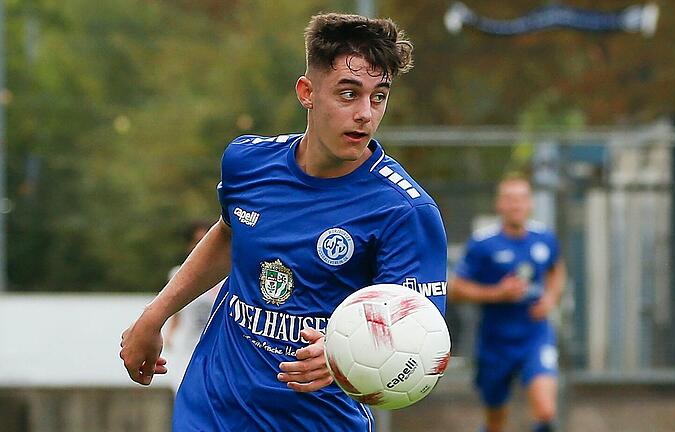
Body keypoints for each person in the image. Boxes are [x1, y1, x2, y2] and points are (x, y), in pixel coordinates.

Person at [119, 12, 448, 432]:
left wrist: (337, 354)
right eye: (348, 94)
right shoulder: (248, 162)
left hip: (317, 421)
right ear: (307, 92)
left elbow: (417, 339)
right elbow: (229, 233)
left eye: (378, 96)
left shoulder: (406, 211)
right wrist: (155, 315)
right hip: (213, 407)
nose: (365, 113)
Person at [450, 174, 566, 432]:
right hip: (495, 341)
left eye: (522, 199)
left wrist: (549, 299)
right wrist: (498, 294)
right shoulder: (483, 244)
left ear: (530, 204)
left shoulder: (543, 238)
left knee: (546, 411)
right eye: (510, 199)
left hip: (534, 335)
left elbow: (557, 271)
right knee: (495, 422)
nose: (516, 205)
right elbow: (455, 289)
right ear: (499, 205)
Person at [163, 220, 223, 391]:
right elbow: (176, 313)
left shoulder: (229, 277)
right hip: (187, 350)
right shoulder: (178, 275)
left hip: (218, 351)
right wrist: (169, 335)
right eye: (197, 241)